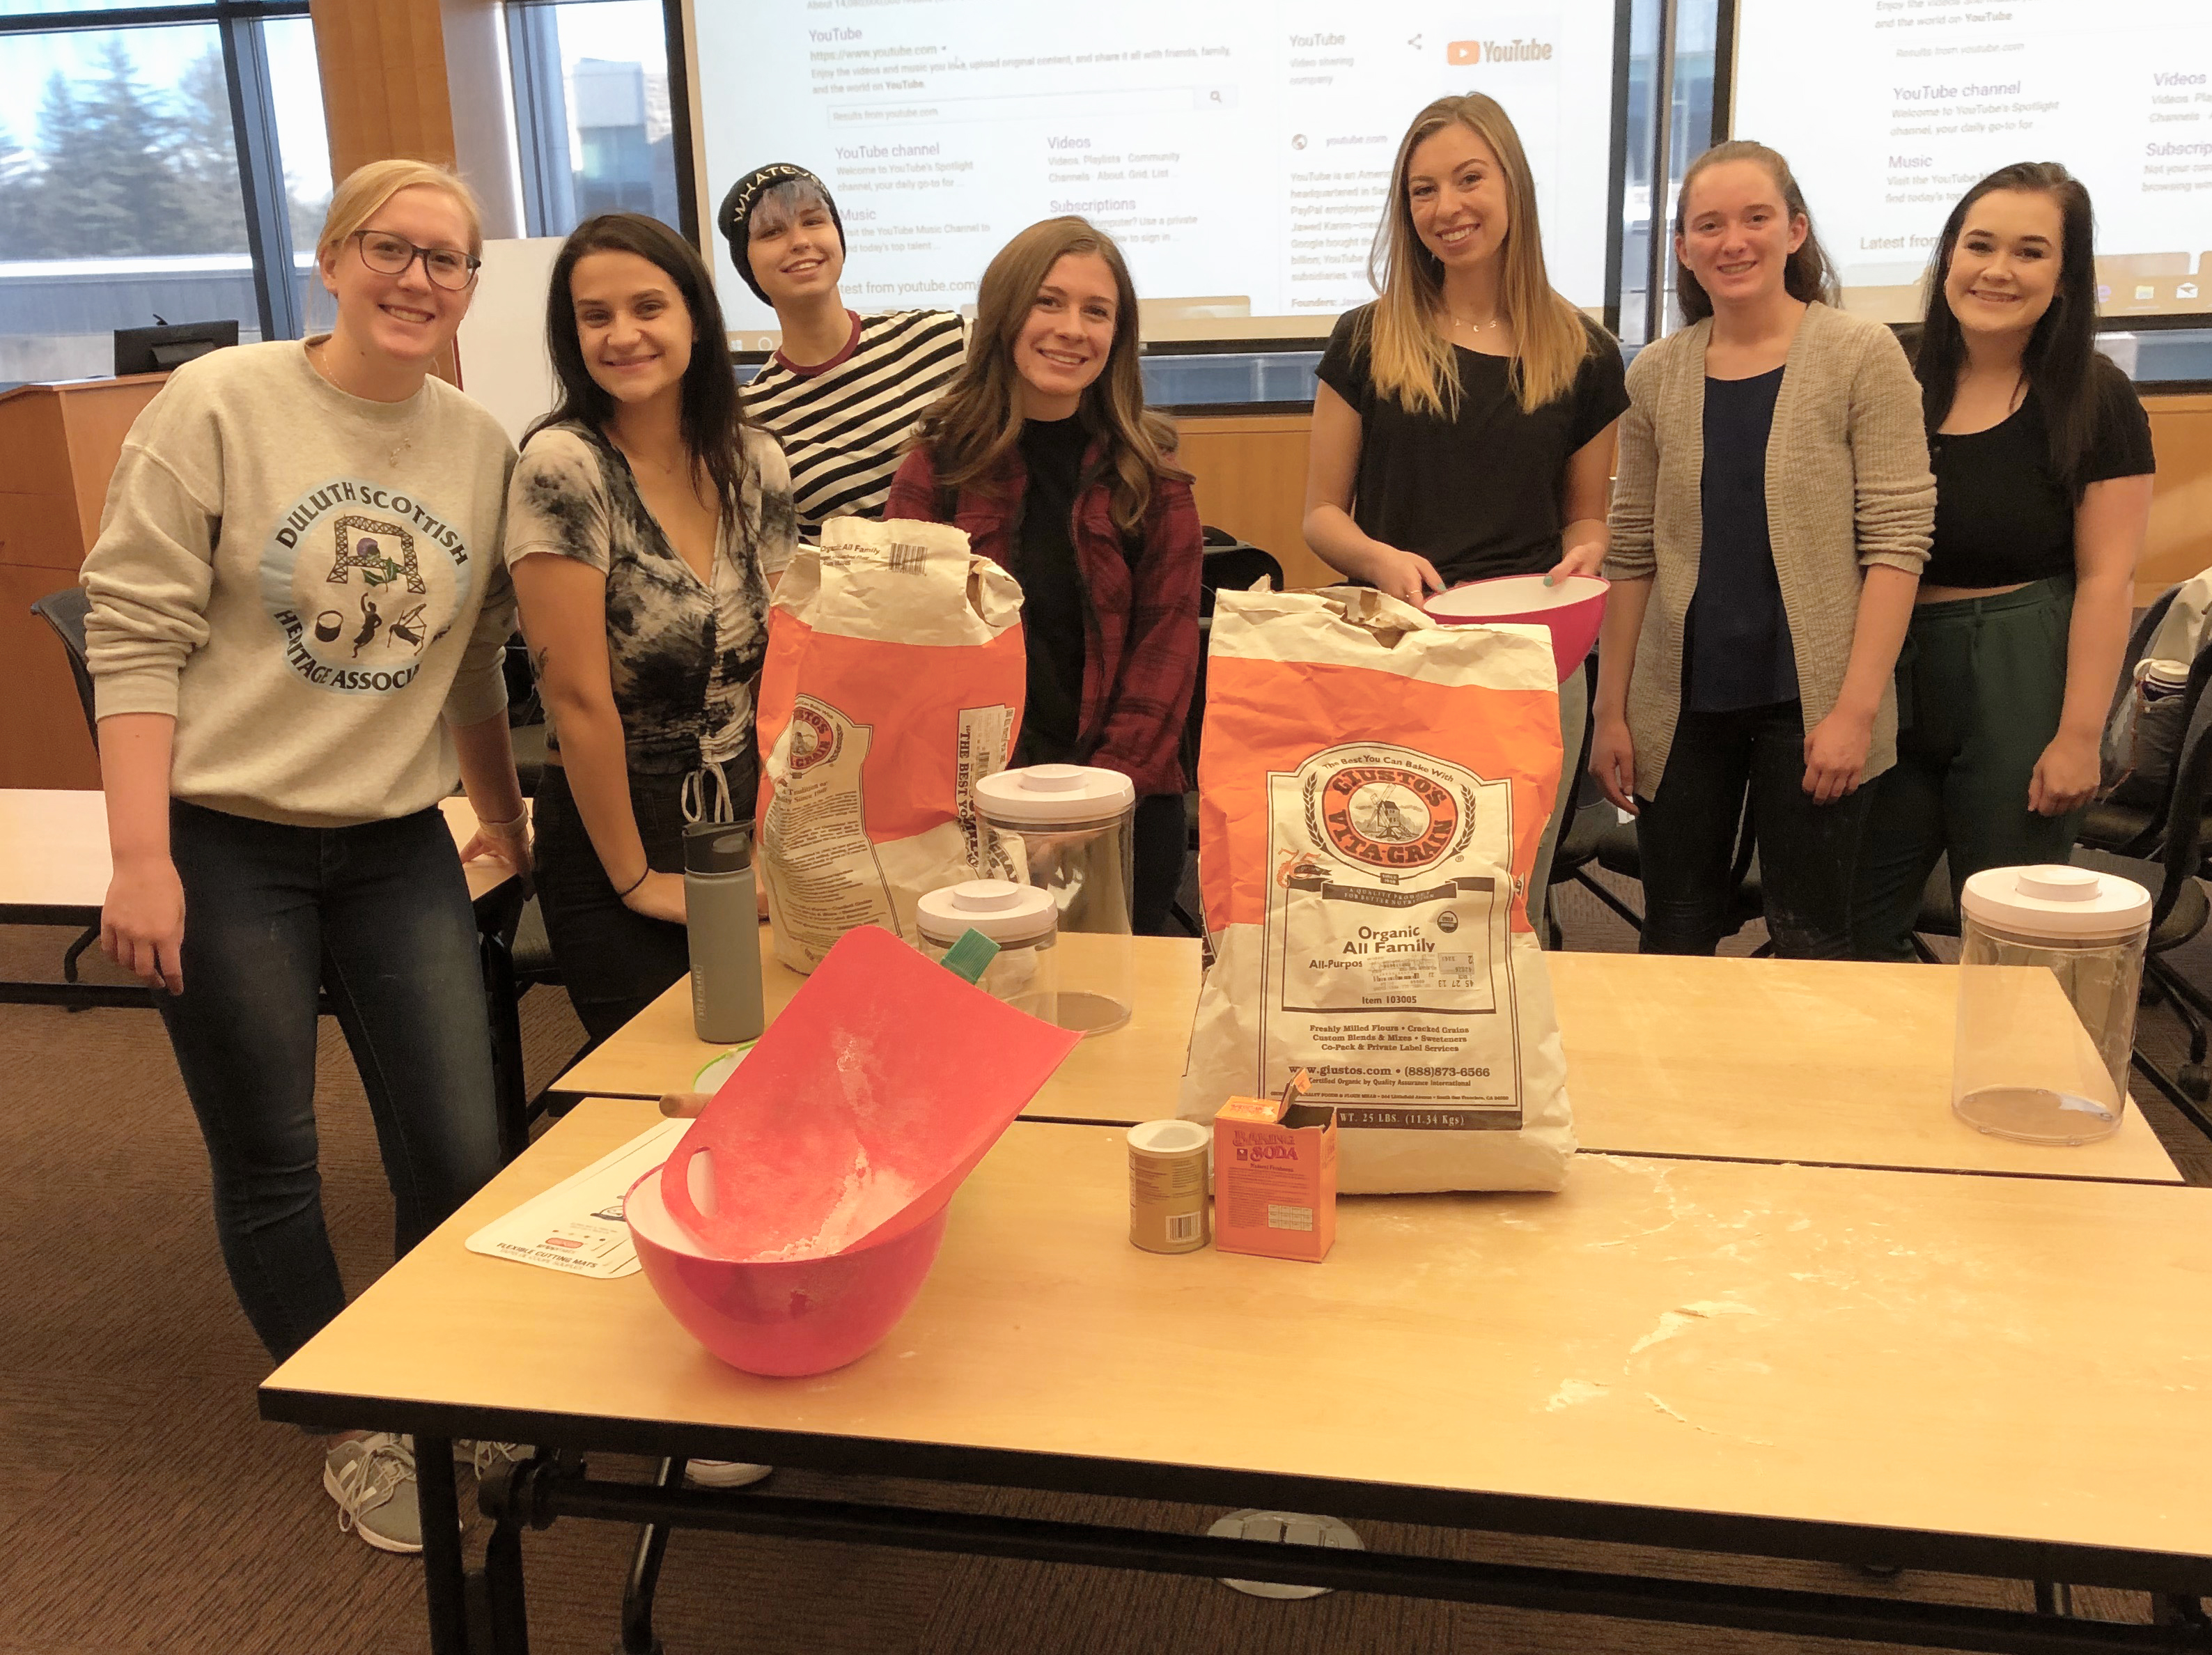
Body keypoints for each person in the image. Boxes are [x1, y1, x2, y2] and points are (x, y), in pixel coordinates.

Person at [82, 159, 528, 1553]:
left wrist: (503, 819)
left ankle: (447, 1373)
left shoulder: (478, 444)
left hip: (395, 840)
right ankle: (356, 1420)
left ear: (469, 291)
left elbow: (472, 663)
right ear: (329, 259)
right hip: (225, 845)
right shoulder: (218, 402)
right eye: (389, 250)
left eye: (446, 261)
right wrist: (140, 859)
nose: (417, 279)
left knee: (460, 1145)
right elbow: (134, 631)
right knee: (271, 1152)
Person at [1592, 141, 1934, 957]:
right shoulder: (1655, 375)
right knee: (1672, 927)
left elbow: (1896, 545)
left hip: (1812, 704)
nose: (1731, 241)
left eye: (1754, 218)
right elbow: (1631, 549)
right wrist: (1611, 711)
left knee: (1809, 935)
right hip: (1679, 703)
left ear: (1794, 230)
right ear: (1681, 248)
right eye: (1707, 225)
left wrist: (1852, 711)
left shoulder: (1860, 354)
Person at [1304, 93, 1628, 944]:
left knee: (1511, 899)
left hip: (1528, 663)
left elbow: (1585, 522)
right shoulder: (1366, 338)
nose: (1447, 208)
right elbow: (1319, 517)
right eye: (1422, 190)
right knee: (1384, 896)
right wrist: (1377, 558)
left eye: (1468, 179)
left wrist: (1586, 552)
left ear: (1511, 185)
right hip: (1392, 651)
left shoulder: (1583, 352)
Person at [505, 213, 797, 1044]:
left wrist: (782, 838)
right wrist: (636, 878)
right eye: (595, 317)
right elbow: (576, 700)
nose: (623, 335)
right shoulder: (563, 466)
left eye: (647, 307)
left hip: (744, 813)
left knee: (766, 1066)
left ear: (694, 319)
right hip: (616, 828)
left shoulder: (755, 461)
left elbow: (788, 668)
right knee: (658, 1092)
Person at [1852, 164, 2155, 959]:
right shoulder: (1888, 371)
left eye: (2028, 252)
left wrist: (2078, 736)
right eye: (1977, 245)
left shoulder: (2095, 397)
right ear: (1946, 255)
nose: (1995, 270)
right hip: (1889, 668)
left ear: (2064, 277)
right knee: (1849, 919)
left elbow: (2106, 579)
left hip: (2019, 669)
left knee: (2008, 931)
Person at [885, 216, 1202, 934]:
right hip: (965, 819)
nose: (1071, 329)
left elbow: (1165, 669)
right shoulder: (935, 469)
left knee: (1118, 1031)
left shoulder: (1152, 483)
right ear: (1005, 313)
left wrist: (1075, 816)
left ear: (1117, 338)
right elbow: (904, 662)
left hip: (1117, 814)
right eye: (1048, 302)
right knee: (977, 1020)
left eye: (1097, 312)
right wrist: (997, 816)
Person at [719, 162, 965, 542]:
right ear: (746, 263)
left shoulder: (941, 339)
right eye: (772, 232)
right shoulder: (750, 419)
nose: (799, 241)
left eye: (813, 221)